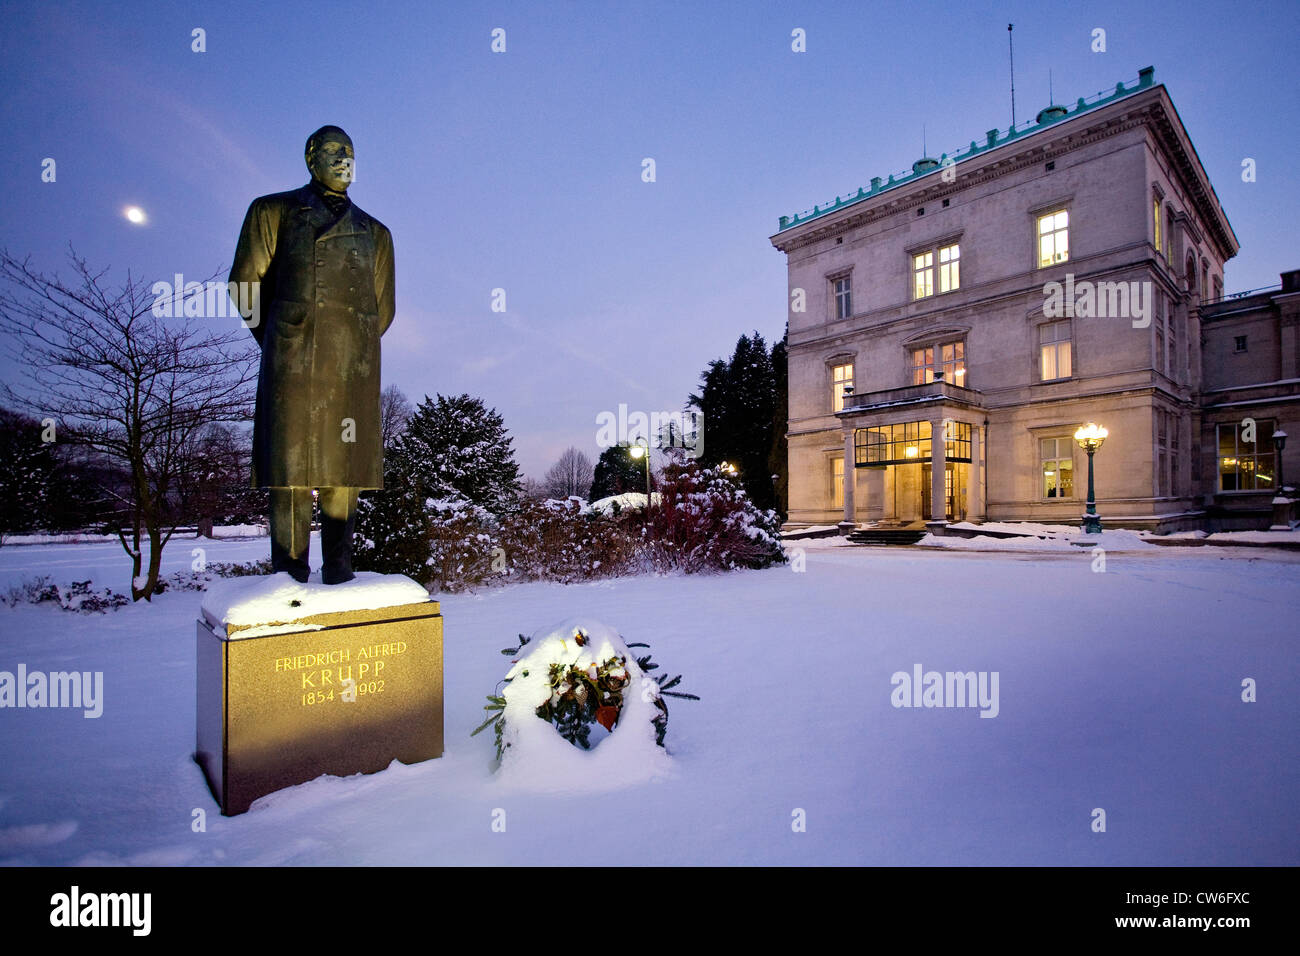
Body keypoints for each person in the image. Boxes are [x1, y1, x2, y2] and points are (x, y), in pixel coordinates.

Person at [229, 125, 395, 584]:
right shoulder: (273, 210)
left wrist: (349, 343)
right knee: (291, 471)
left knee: (344, 470)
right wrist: (283, 337)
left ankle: (340, 573)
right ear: (310, 157)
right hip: (293, 363)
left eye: (350, 152)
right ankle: (288, 578)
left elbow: (382, 309)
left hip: (351, 368)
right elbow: (244, 286)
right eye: (334, 150)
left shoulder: (376, 232)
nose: (344, 159)